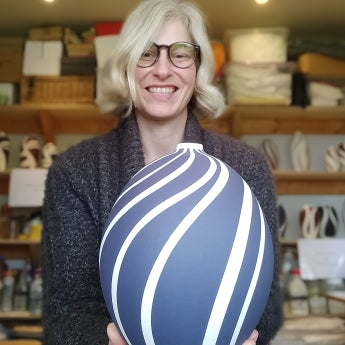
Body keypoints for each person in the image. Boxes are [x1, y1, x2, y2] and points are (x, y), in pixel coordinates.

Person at [41, 0, 283, 344]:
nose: (163, 70)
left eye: (180, 53)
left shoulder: (247, 167)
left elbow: (268, 301)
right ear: (126, 65)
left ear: (198, 67)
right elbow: (65, 312)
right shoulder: (75, 172)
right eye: (147, 53)